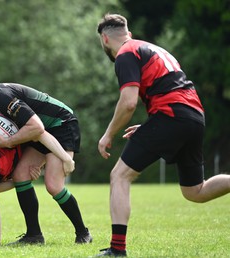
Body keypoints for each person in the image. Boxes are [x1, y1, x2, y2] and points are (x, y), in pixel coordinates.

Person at [95, 13, 230, 256]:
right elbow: (168, 87)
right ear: (129, 34)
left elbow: (128, 103)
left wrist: (108, 135)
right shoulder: (151, 48)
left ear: (105, 39)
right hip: (193, 115)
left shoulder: (125, 54)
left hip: (171, 115)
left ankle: (117, 249)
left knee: (119, 175)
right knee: (195, 191)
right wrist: (151, 125)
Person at [0, 74, 92, 244]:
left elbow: (36, 127)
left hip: (61, 124)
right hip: (39, 134)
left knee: (53, 185)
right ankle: (34, 235)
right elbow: (26, 131)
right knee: (21, 175)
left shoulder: (4, 98)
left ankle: (83, 232)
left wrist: (66, 159)